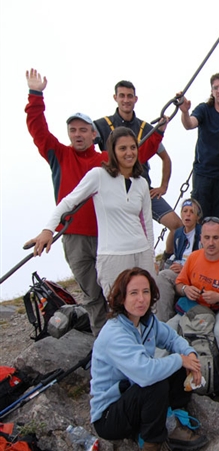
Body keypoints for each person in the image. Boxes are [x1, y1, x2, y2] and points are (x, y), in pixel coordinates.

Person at [24, 69, 162, 335]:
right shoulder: (63, 157)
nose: (78, 134)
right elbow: (39, 132)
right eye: (73, 130)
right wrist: (35, 95)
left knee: (129, 297)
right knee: (94, 295)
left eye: (84, 130)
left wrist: (158, 131)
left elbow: (135, 151)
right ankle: (104, 343)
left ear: (93, 135)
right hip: (75, 236)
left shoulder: (106, 163)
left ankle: (132, 344)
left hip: (107, 236)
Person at [31, 124, 166, 305]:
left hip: (141, 252)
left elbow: (147, 224)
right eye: (123, 148)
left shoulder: (141, 183)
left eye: (133, 147)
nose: (129, 153)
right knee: (118, 307)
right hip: (113, 255)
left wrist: (150, 258)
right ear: (112, 151)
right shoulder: (98, 176)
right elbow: (68, 202)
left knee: (146, 306)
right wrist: (48, 229)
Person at [90, 268, 208, 451]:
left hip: (132, 394)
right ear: (121, 297)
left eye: (146, 292)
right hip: (110, 415)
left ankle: (171, 425)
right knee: (156, 382)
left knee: (177, 368)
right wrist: (180, 360)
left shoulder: (146, 321)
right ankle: (151, 449)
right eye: (133, 293)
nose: (141, 299)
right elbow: (145, 374)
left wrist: (190, 356)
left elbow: (171, 338)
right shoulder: (115, 333)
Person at [94, 80, 182, 259]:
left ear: (135, 99)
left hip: (142, 189)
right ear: (115, 98)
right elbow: (86, 152)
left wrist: (163, 187)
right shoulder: (101, 126)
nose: (126, 100)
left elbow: (166, 158)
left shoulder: (146, 130)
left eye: (129, 96)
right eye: (122, 96)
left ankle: (168, 258)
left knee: (177, 225)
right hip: (113, 190)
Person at [174, 217, 219, 386]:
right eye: (207, 238)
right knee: (168, 328)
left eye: (215, 238)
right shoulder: (194, 257)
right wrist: (185, 290)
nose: (211, 243)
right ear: (201, 238)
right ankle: (159, 380)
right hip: (196, 307)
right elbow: (179, 284)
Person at [179, 73, 219, 243]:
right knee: (201, 217)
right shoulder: (204, 109)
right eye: (215, 88)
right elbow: (189, 124)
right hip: (203, 173)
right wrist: (185, 112)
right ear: (212, 91)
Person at [155, 199, 203, 322]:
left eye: (192, 212)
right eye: (185, 211)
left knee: (164, 276)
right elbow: (176, 256)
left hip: (194, 272)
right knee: (158, 273)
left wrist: (184, 269)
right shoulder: (178, 234)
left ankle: (163, 321)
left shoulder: (202, 233)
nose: (188, 214)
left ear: (197, 217)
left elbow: (204, 261)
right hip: (180, 270)